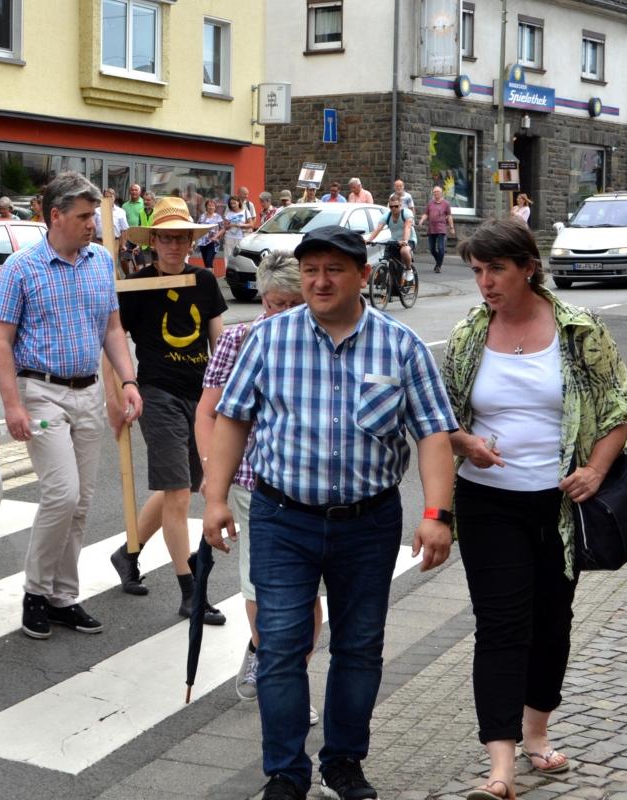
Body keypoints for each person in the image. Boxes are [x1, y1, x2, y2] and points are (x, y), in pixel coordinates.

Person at [200, 225, 458, 800]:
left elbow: (434, 433)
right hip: (282, 518)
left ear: (363, 276)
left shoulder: (400, 345)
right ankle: (285, 773)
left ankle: (342, 763)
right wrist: (215, 499)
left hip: (368, 523)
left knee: (359, 648)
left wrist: (436, 513)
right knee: (280, 645)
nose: (320, 281)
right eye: (311, 270)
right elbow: (232, 418)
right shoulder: (269, 339)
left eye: (334, 270)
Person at [443, 218, 627, 800]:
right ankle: (500, 768)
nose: (486, 282)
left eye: (496, 269)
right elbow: (438, 414)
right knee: (500, 625)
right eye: (477, 271)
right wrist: (464, 442)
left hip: (559, 503)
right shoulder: (469, 334)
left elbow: (620, 405)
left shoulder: (579, 330)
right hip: (487, 501)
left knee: (552, 621)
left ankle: (536, 733)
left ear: (529, 267)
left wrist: (595, 469)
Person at [0, 171, 143, 640]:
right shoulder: (21, 268)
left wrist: (129, 380)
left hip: (89, 391)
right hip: (41, 392)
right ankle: (35, 593)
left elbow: (112, 329)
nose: (92, 224)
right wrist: (12, 406)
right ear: (55, 216)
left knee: (82, 502)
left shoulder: (100, 261)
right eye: (83, 216)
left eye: (93, 215)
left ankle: (62, 596)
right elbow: (1, 342)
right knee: (62, 494)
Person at [193, 252, 321, 717]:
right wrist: (213, 476)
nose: (280, 313)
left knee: (307, 596)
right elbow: (208, 412)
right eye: (272, 303)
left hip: (312, 488)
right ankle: (279, 676)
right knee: (262, 587)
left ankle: (279, 666)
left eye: (291, 304)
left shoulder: (324, 341)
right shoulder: (239, 339)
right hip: (252, 482)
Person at [106, 197, 226, 623]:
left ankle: (128, 552)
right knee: (177, 492)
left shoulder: (204, 281)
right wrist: (117, 394)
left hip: (201, 398)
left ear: (191, 242)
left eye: (182, 238)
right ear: (153, 241)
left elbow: (219, 345)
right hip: (157, 395)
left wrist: (223, 396)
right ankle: (190, 592)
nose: (175, 245)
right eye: (167, 238)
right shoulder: (136, 287)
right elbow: (113, 341)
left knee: (182, 486)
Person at [367, 193, 416, 270]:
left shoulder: (406, 213)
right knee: (386, 259)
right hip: (394, 240)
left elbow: (407, 227)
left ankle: (408, 270)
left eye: (396, 206)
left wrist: (405, 240)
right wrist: (369, 240)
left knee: (404, 251)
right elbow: (378, 229)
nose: (393, 208)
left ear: (400, 205)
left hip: (409, 239)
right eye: (391, 206)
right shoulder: (386, 216)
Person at [424, 186, 456, 273]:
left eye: (437, 192)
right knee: (432, 249)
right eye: (434, 192)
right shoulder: (430, 203)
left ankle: (438, 265)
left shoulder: (446, 203)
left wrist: (452, 227)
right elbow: (426, 214)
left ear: (441, 193)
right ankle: (439, 261)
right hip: (431, 228)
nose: (436, 193)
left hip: (441, 228)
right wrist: (421, 220)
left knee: (441, 248)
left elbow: (449, 216)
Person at [196, 198, 225, 273]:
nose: (211, 207)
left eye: (212, 205)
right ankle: (210, 277)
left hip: (213, 242)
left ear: (215, 207)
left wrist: (215, 236)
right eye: (209, 205)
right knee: (206, 262)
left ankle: (210, 278)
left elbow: (223, 229)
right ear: (206, 207)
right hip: (202, 242)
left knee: (209, 260)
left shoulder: (218, 217)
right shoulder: (202, 216)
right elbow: (198, 227)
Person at [223, 197, 249, 269]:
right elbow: (225, 226)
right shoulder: (229, 213)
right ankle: (228, 271)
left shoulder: (245, 212)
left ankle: (239, 271)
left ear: (238, 202)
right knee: (228, 256)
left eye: (234, 203)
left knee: (240, 255)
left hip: (241, 237)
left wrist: (241, 225)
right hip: (229, 237)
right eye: (231, 203)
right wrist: (230, 225)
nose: (233, 205)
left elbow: (251, 224)